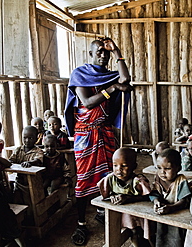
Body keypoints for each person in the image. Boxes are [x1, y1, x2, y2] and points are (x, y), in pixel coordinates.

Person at [64, 37, 132, 245]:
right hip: (85, 135)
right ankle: (81, 222)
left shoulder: (109, 76)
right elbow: (87, 102)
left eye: (106, 52)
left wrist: (117, 50)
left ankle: (104, 210)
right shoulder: (80, 74)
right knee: (84, 179)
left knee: (108, 175)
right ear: (91, 54)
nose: (103, 55)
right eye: (99, 52)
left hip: (104, 132)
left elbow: (125, 78)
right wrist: (112, 89)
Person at [98, 148, 153, 246]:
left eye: (124, 165)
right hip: (121, 215)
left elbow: (149, 197)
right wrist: (112, 196)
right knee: (123, 233)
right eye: (115, 165)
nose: (119, 169)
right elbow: (103, 197)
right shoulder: (110, 179)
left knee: (140, 235)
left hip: (138, 216)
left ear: (134, 167)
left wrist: (129, 198)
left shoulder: (138, 182)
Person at [150, 148, 191, 247]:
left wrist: (171, 208)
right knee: (160, 236)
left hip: (177, 215)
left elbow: (183, 201)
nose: (162, 172)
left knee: (176, 239)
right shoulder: (158, 179)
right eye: (159, 168)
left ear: (178, 168)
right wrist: (156, 201)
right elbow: (154, 193)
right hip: (162, 214)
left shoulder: (181, 180)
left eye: (167, 168)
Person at [9, 126, 44, 209]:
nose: (27, 141)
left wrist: (30, 163)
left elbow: (38, 160)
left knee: (30, 201)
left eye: (30, 138)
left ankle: (31, 216)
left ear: (36, 138)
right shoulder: (18, 150)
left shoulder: (38, 151)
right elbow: (11, 160)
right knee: (17, 198)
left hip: (33, 182)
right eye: (25, 138)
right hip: (19, 180)